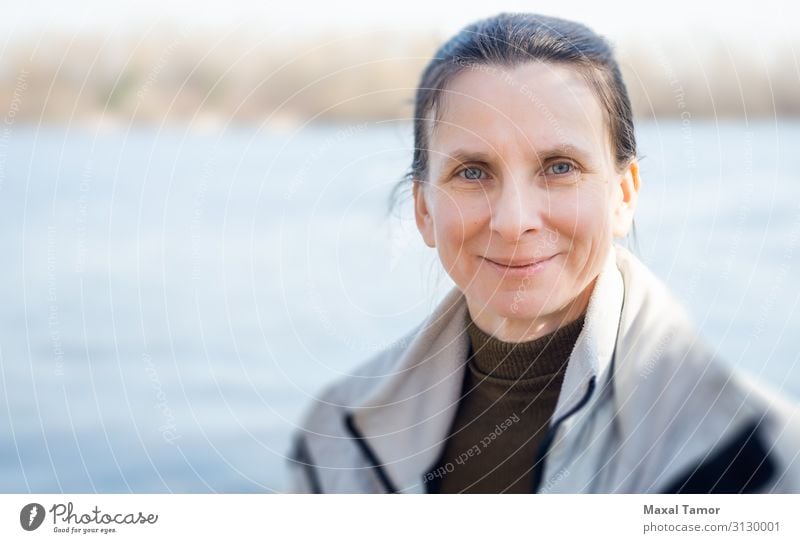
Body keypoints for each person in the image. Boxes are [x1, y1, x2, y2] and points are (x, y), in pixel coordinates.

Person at [286, 12, 800, 493]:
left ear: (623, 195)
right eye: (472, 172)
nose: (514, 221)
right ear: (424, 211)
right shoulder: (335, 438)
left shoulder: (757, 456)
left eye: (559, 167)